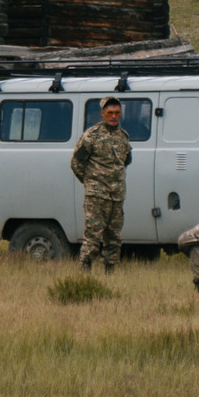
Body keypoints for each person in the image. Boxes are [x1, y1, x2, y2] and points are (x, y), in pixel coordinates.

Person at [69, 97, 134, 273]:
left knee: (114, 236)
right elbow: (76, 163)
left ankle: (110, 271)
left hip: (116, 195)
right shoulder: (92, 135)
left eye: (117, 113)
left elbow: (125, 162)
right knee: (93, 235)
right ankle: (85, 271)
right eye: (110, 113)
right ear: (103, 114)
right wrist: (91, 183)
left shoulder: (123, 136)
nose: (113, 116)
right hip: (96, 196)